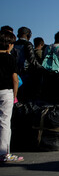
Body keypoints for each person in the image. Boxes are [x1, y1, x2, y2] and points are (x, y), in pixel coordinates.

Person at [0, 30, 23, 163]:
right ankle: (4, 153)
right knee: (4, 122)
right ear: (9, 45)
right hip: (6, 92)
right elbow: (15, 79)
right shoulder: (10, 58)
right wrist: (15, 95)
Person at [13, 27, 42, 102]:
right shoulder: (27, 44)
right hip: (25, 73)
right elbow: (32, 60)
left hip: (15, 73)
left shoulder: (13, 44)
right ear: (28, 35)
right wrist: (43, 69)